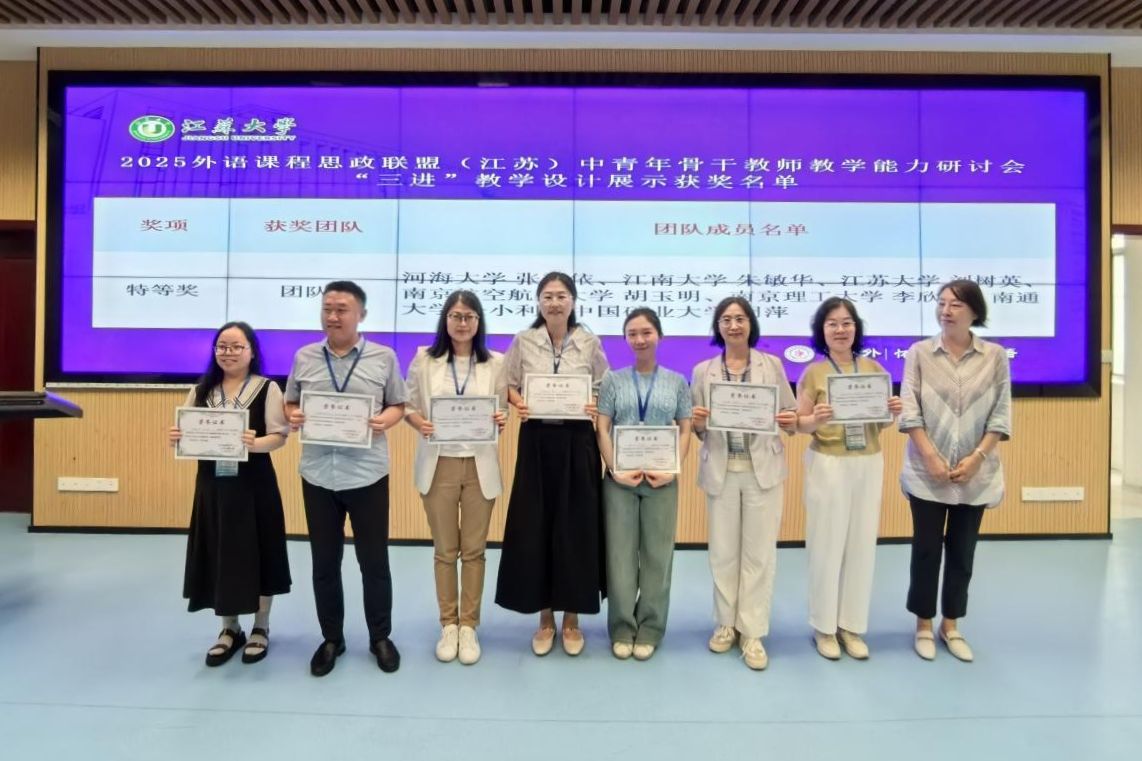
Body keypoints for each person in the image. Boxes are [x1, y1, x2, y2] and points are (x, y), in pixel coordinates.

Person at [284, 281, 408, 677]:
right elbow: (290, 402)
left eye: (342, 309)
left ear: (361, 315)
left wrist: (383, 420)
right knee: (324, 562)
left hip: (367, 473)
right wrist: (293, 415)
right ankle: (331, 638)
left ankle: (380, 636)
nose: (333, 316)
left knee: (374, 562)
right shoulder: (304, 356)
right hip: (318, 474)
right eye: (327, 309)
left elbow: (399, 404)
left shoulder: (383, 357)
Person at [495, 271, 609, 656]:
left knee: (576, 528)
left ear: (573, 301)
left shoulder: (589, 342)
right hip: (537, 441)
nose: (555, 302)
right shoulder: (523, 340)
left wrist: (594, 403)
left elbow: (604, 387)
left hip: (579, 442)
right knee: (536, 526)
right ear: (539, 302)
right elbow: (508, 384)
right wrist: (519, 402)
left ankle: (572, 619)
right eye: (548, 296)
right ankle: (544, 618)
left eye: (561, 296)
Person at [899, 279, 1011, 663]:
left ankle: (951, 624)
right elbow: (909, 410)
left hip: (975, 472)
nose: (945, 311)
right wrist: (930, 456)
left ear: (974, 312)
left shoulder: (995, 356)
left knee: (963, 552)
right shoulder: (919, 353)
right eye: (941, 303)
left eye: (956, 305)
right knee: (926, 550)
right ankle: (923, 624)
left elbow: (1001, 414)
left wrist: (977, 457)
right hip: (925, 470)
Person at [170, 321, 291, 667]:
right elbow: (188, 435)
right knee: (219, 551)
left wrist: (256, 443)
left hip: (254, 486)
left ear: (252, 351)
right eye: (222, 346)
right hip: (213, 486)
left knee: (260, 551)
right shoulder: (201, 390)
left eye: (237, 346)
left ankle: (261, 627)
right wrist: (179, 438)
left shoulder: (267, 388)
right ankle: (229, 628)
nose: (229, 352)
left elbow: (280, 436)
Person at [690, 296, 797, 671]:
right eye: (726, 319)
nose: (733, 325)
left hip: (761, 470)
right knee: (723, 552)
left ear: (750, 324)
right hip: (721, 469)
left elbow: (790, 413)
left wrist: (788, 419)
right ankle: (725, 623)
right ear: (717, 327)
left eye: (739, 318)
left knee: (758, 554)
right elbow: (698, 428)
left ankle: (751, 631)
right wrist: (698, 422)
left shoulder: (772, 365)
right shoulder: (703, 371)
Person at [794, 298, 902, 661]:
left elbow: (881, 424)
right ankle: (824, 627)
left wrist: (891, 412)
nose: (840, 330)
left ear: (856, 328)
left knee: (861, 545)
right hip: (828, 463)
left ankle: (851, 626)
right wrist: (816, 420)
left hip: (868, 462)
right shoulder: (813, 373)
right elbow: (798, 424)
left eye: (846, 323)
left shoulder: (873, 369)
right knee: (826, 545)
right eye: (832, 324)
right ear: (821, 331)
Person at [404, 291, 506, 666]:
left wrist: (500, 420)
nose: (462, 323)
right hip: (439, 463)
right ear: (445, 320)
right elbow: (408, 406)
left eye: (469, 317)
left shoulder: (496, 362)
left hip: (480, 465)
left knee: (474, 551)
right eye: (455, 316)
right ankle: (448, 624)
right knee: (445, 551)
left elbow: (502, 409)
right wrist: (421, 423)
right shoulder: (424, 360)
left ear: (479, 322)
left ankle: (469, 626)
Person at [595, 308, 691, 661]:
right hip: (619, 482)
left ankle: (650, 627)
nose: (639, 339)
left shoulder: (677, 382)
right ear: (625, 339)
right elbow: (602, 427)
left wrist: (673, 470)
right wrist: (614, 469)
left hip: (662, 481)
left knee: (657, 557)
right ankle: (622, 627)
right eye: (632, 333)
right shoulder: (613, 380)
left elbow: (685, 429)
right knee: (619, 557)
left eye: (646, 332)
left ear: (659, 336)